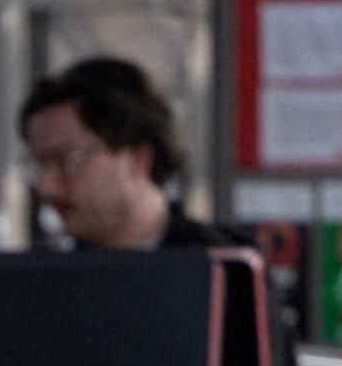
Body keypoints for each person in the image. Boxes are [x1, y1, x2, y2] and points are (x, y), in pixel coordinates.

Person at [17, 56, 243, 252]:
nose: (46, 187)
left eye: (67, 161)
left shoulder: (224, 271)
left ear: (138, 158)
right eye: (38, 165)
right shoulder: (48, 283)